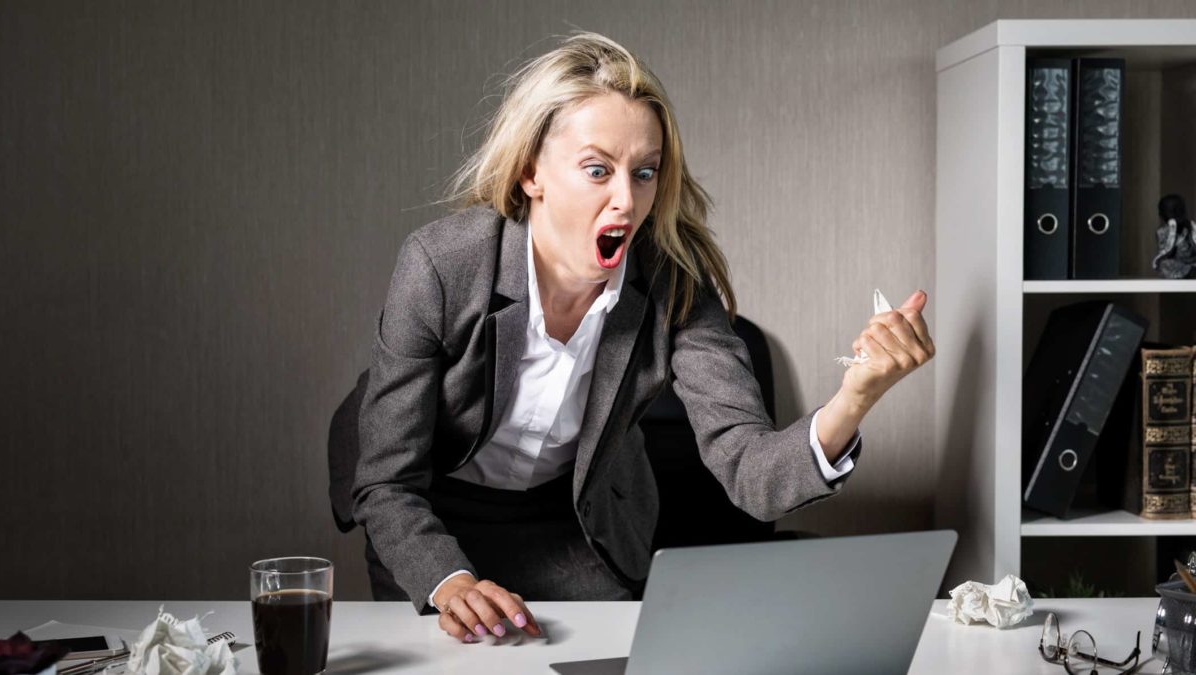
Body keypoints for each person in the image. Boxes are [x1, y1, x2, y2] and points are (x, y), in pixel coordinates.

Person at [351, 31, 935, 644]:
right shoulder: (442, 266)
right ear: (530, 172)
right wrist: (448, 582)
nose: (626, 202)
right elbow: (387, 480)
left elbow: (752, 474)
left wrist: (856, 396)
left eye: (645, 172)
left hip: (574, 522)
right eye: (597, 170)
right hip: (430, 513)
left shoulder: (673, 284)